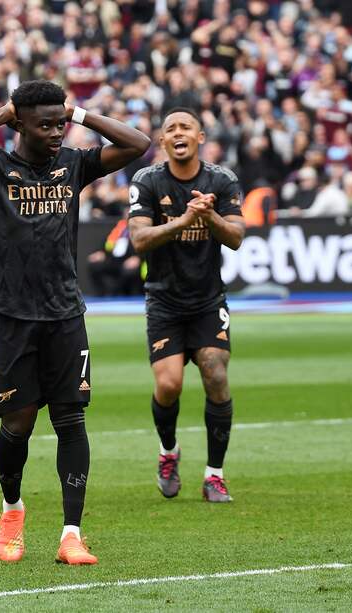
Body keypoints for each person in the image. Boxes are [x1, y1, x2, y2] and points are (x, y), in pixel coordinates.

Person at [0, 80, 149, 565]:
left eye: (60, 124)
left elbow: (137, 144)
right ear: (20, 124)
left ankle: (71, 534)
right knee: (18, 424)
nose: (56, 132)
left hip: (65, 314)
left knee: (71, 419)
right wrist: (3, 112)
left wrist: (79, 114)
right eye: (46, 124)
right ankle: (12, 510)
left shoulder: (73, 164)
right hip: (12, 316)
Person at [127, 108, 246, 503]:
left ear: (200, 137)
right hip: (164, 300)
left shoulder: (222, 180)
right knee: (169, 385)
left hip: (208, 300)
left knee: (216, 373)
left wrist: (209, 215)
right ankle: (168, 452)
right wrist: (182, 220)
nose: (178, 133)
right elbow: (139, 240)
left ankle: (215, 475)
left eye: (186, 127)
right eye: (170, 129)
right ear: (163, 141)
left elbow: (236, 237)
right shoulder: (147, 181)